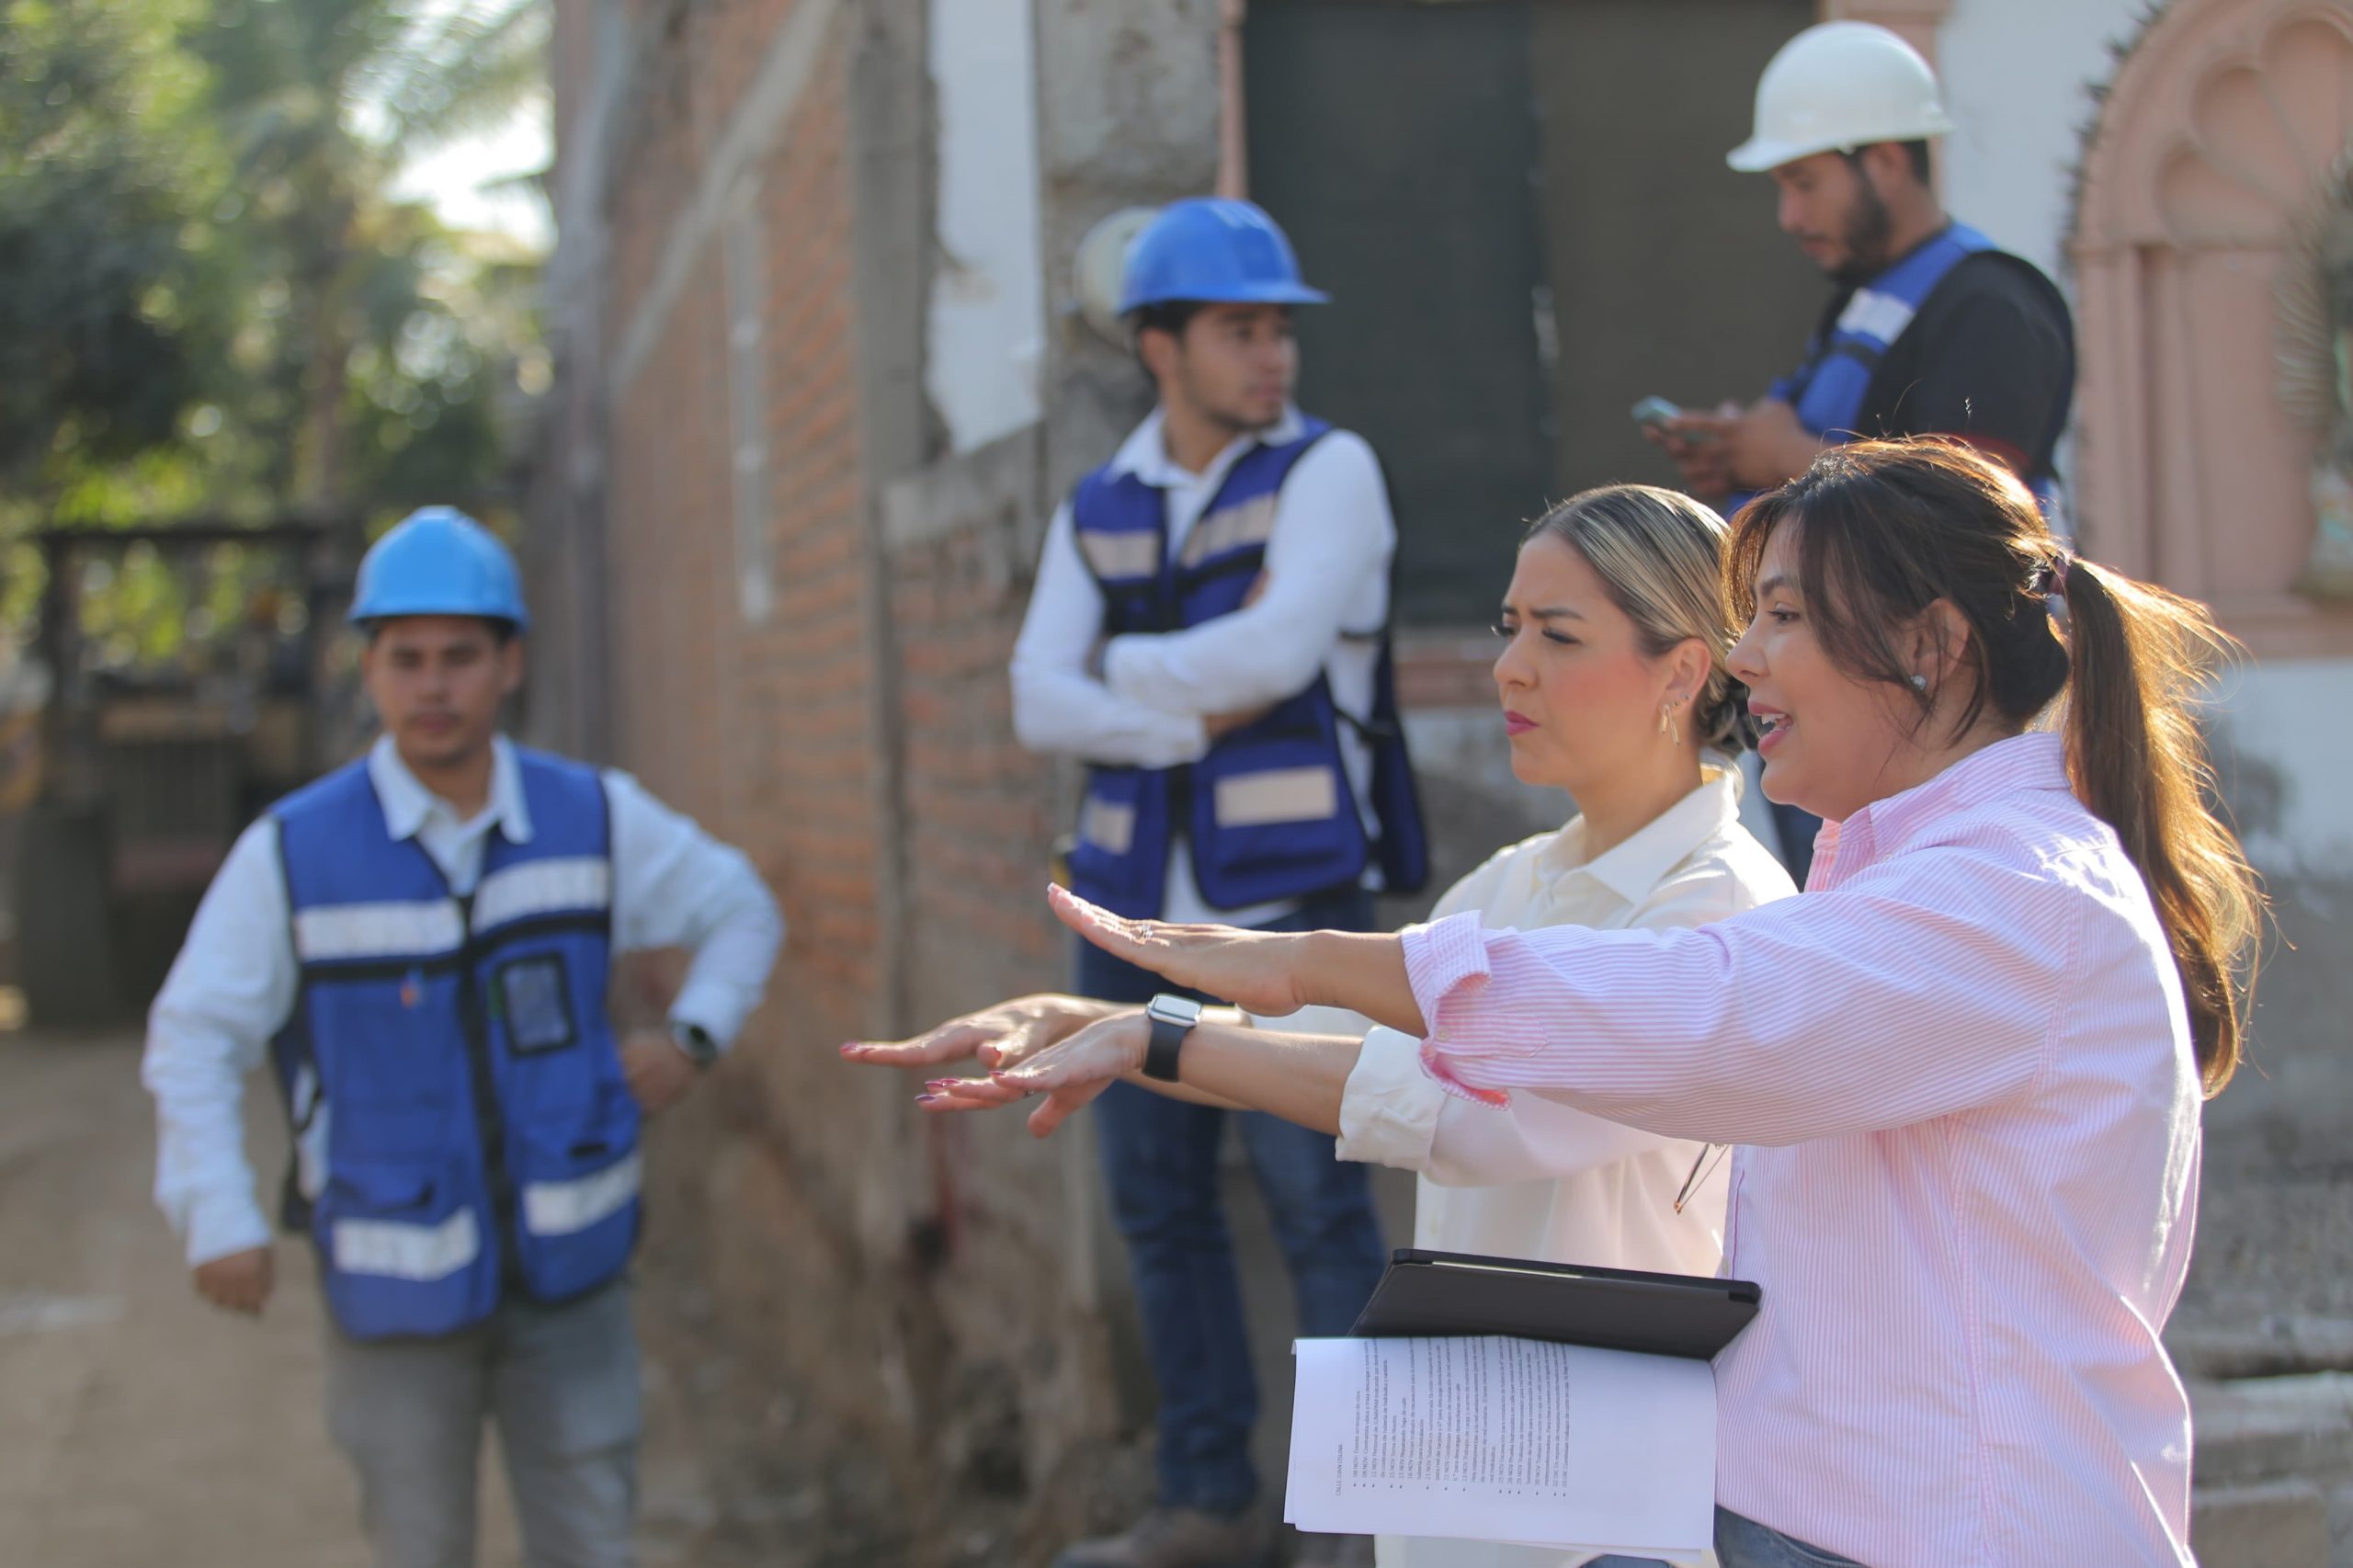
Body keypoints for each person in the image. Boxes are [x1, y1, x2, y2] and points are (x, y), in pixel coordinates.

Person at [940, 439, 2264, 1568]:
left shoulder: (2007, 892)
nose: (1748, 657)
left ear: (1932, 644)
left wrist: (1294, 971)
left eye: (1785, 617)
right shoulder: (1899, 878)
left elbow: (1697, 1020)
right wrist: (1147, 1023)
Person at [851, 483, 1795, 1568]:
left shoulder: (1719, 910)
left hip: (1618, 1507)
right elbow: (1341, 1045)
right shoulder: (1510, 884)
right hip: (1476, 1466)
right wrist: (1108, 1020)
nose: (1510, 667)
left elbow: (1474, 1112)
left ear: (1681, 670)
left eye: (1558, 634)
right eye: (1509, 627)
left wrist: (1156, 1036)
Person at [142, 507, 785, 1568]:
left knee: (592, 1543)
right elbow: (196, 1033)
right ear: (368, 669)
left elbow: (741, 907)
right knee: (419, 1545)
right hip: (392, 1292)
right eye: (406, 659)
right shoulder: (294, 852)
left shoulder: (593, 816)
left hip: (573, 1283)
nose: (432, 685)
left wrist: (693, 1036)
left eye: (459, 656)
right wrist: (217, 1212)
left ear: (509, 663)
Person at [1001, 195, 1427, 1568]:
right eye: (1239, 330)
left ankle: (1353, 1518)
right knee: (1158, 1203)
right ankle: (1201, 1501)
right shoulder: (1101, 499)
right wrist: (1183, 717)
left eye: (1279, 329)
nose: (1272, 354)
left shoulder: (1330, 469)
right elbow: (1034, 697)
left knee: (1319, 1203)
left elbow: (1279, 653)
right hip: (1128, 913)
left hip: (1293, 909)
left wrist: (1117, 669)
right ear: (1158, 346)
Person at [1647, 18, 2076, 883]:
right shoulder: (1865, 298)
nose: (1789, 216)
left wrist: (1785, 459)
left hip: (1927, 724)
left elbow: (1964, 519)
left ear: (1883, 160)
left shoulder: (1991, 306)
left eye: (1804, 182)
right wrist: (1743, 460)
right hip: (1839, 707)